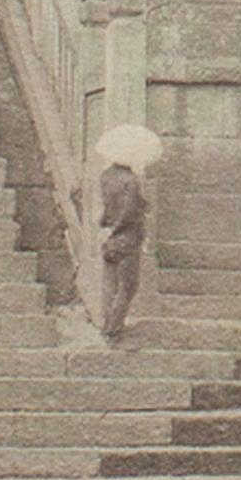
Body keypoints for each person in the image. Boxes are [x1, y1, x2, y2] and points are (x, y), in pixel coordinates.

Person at [93, 124, 162, 337]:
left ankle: (106, 321)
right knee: (129, 286)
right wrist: (142, 206)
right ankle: (113, 327)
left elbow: (109, 207)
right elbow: (130, 212)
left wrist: (106, 229)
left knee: (109, 283)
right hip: (127, 238)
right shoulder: (131, 181)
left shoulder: (105, 176)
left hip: (109, 236)